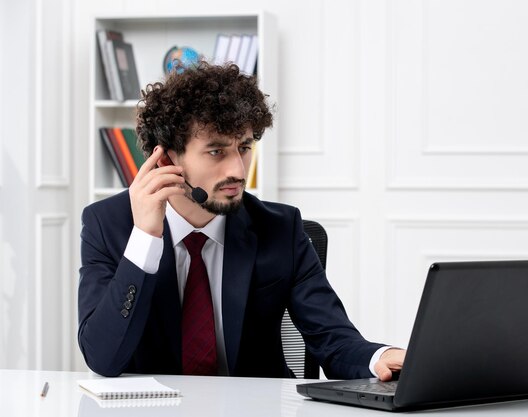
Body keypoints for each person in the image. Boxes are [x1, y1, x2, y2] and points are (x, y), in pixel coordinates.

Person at [78, 62, 405, 380]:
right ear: (166, 160)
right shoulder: (108, 225)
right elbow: (103, 358)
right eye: (216, 151)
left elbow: (334, 341)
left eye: (244, 147)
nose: (237, 170)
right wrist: (145, 239)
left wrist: (382, 358)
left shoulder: (280, 228)